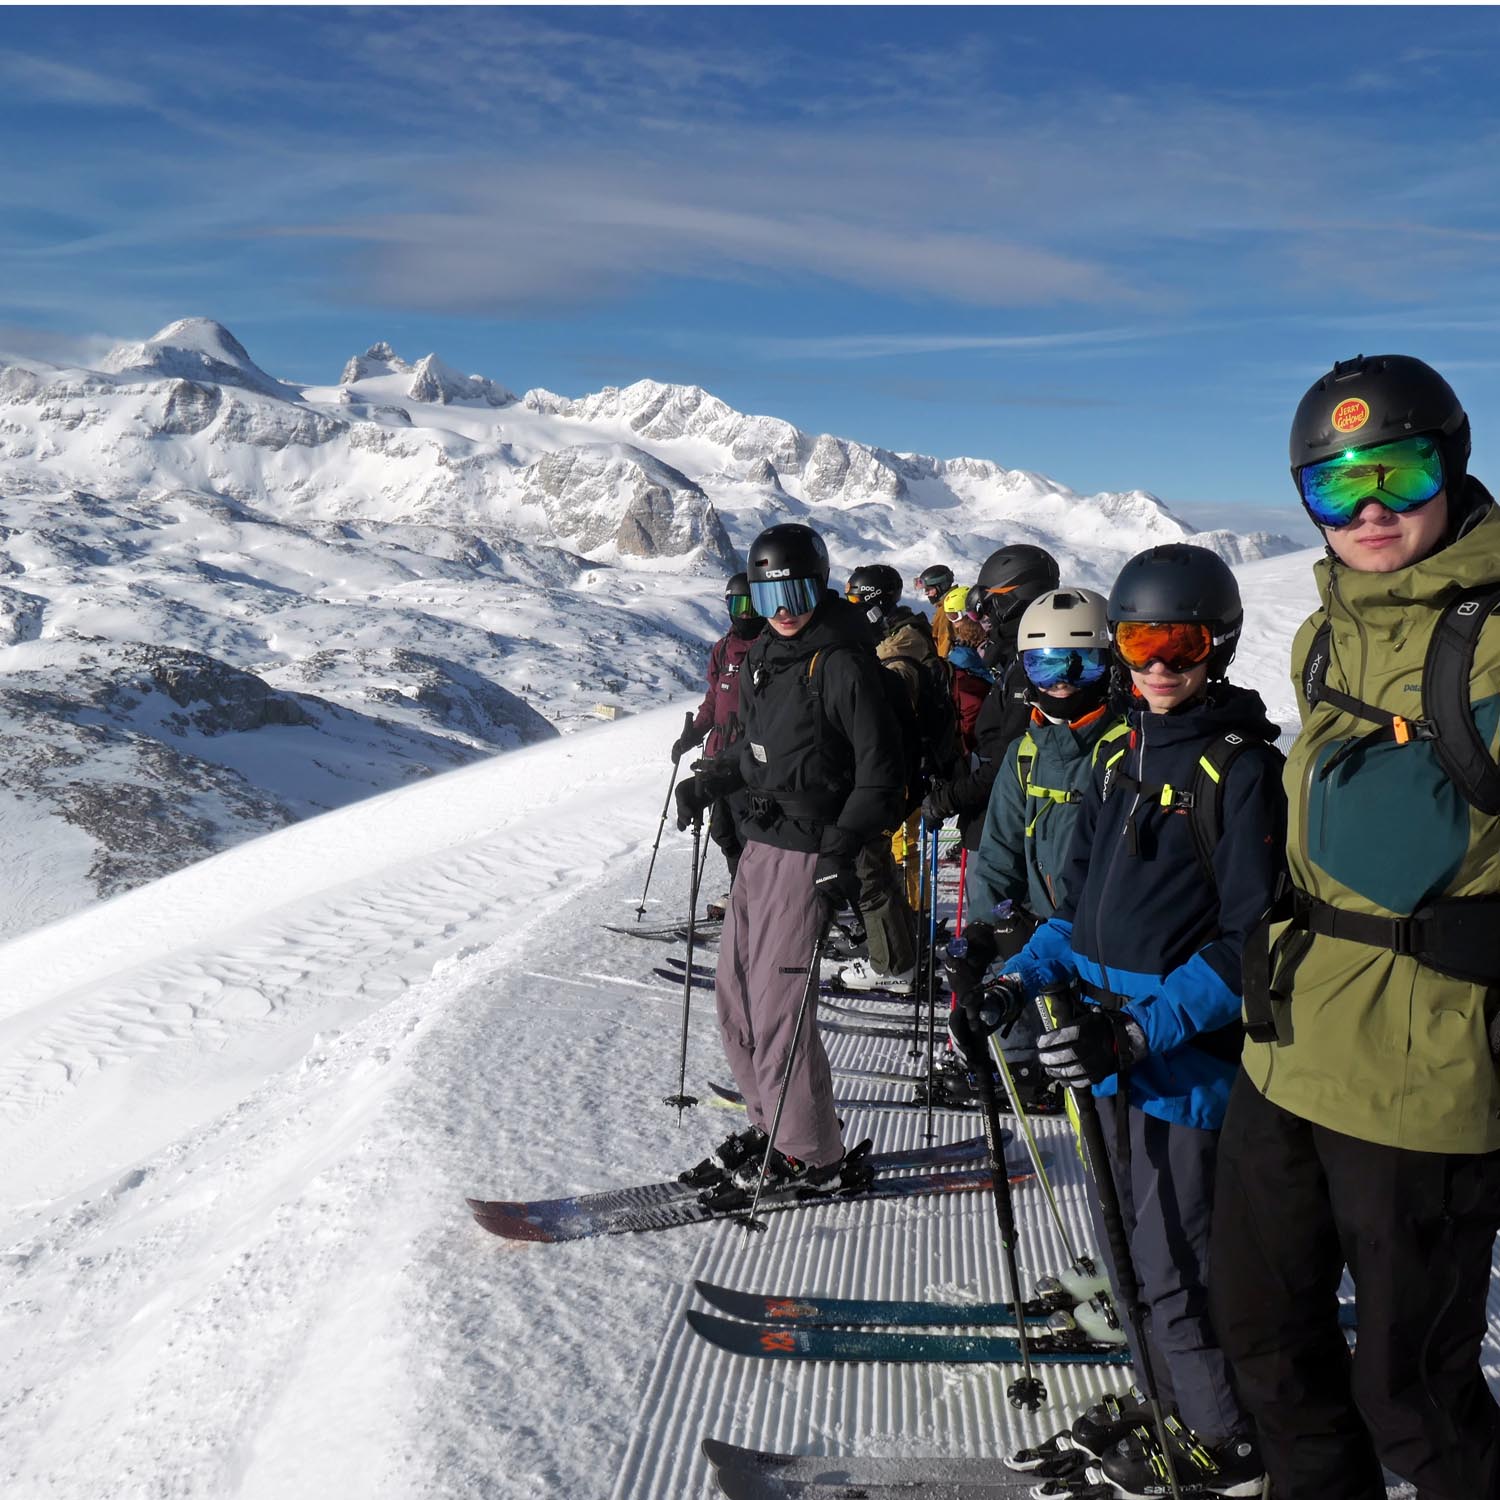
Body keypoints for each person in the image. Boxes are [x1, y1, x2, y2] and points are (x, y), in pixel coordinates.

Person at [1212, 354, 1500, 1500]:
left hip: (1423, 1075)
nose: (1370, 508)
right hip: (1286, 1048)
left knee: (1415, 1398)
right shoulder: (1318, 636)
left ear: (1453, 463)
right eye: (1336, 489)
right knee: (1268, 1349)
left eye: (1399, 470)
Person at [957, 544, 1286, 1498]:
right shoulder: (1118, 753)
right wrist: (1018, 978)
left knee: (1175, 1264)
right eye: (1140, 642)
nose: (1157, 665)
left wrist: (1141, 1032)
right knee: (1125, 1254)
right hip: (1099, 1049)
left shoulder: (1240, 771)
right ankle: (1169, 1402)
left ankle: (1225, 1448)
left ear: (1215, 645)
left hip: (1180, 1070)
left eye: (1178, 643)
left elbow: (1248, 945)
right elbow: (1076, 913)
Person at [674, 522, 905, 1198]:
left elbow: (879, 777)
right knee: (735, 1000)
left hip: (811, 851)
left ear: (821, 584)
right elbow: (754, 752)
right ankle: (772, 1122)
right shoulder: (766, 660)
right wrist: (711, 779)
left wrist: (841, 853)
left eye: (798, 590)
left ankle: (811, 1153)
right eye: (771, 592)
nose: (784, 607)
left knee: (779, 1008)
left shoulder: (841, 662)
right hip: (761, 844)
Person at [960, 587, 1124, 1110]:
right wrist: (985, 933)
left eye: (1083, 666)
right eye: (1046, 666)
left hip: (1104, 954)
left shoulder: (1126, 750)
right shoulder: (1024, 755)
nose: (1062, 684)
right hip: (1036, 947)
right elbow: (999, 854)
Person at [835, 563, 953, 992]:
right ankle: (903, 947)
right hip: (900, 774)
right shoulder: (900, 639)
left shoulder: (899, 652)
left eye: (855, 601)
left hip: (892, 777)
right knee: (882, 862)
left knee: (871, 866)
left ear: (873, 604)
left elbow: (885, 720)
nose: (851, 610)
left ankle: (891, 963)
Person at [922, 544, 1060, 851]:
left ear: (1012, 599)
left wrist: (949, 798)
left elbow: (1008, 758)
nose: (982, 615)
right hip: (996, 819)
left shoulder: (1031, 669)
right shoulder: (1015, 659)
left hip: (1007, 827)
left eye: (989, 603)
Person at [671, 572, 764, 894]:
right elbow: (714, 696)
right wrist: (694, 732)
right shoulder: (724, 648)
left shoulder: (769, 649)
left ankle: (752, 895)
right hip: (717, 754)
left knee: (747, 830)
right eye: (737, 605)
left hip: (749, 758)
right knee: (722, 831)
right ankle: (740, 889)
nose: (745, 614)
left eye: (752, 606)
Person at [913, 563, 956, 656]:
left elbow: (945, 641)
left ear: (942, 586)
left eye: (929, 589)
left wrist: (943, 666)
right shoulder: (952, 601)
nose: (926, 593)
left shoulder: (947, 609)